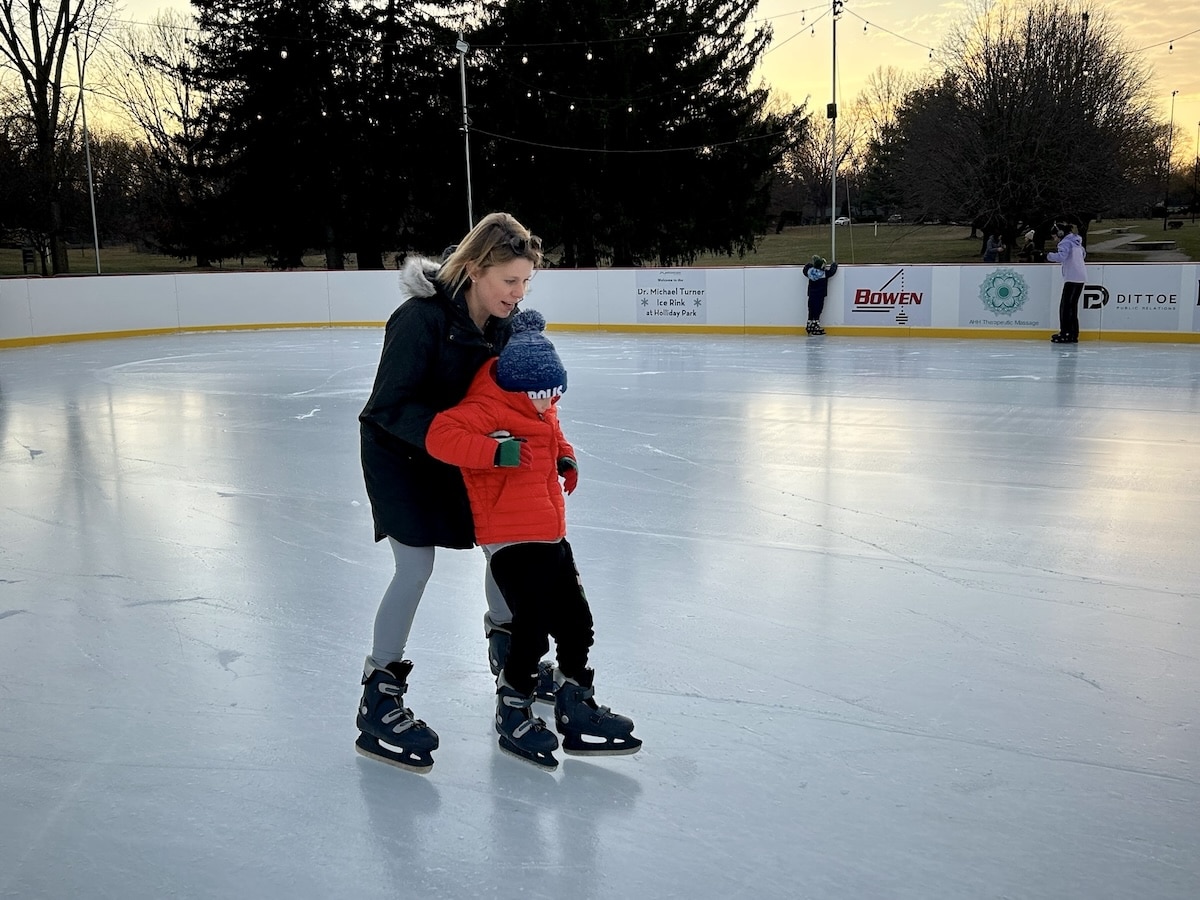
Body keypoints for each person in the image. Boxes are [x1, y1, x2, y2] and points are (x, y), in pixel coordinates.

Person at [355, 212, 543, 773]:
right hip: (399, 453)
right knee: (414, 567)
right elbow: (389, 406)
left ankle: (509, 654)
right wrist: (457, 436)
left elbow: (509, 397)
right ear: (477, 269)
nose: (519, 292)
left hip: (458, 451)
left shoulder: (503, 327)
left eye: (527, 282)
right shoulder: (420, 320)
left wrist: (543, 442)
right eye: (510, 280)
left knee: (504, 543)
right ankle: (378, 693)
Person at [426, 308, 642, 771]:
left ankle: (575, 702)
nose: (549, 405)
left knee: (577, 621)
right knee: (532, 624)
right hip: (507, 535)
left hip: (548, 531)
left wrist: (566, 459)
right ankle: (514, 705)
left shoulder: (542, 406)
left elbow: (555, 433)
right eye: (542, 397)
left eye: (554, 396)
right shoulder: (486, 406)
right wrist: (496, 451)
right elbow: (441, 436)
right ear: (519, 385)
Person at [1046, 221, 1087, 344]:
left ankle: (1065, 333)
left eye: (1054, 237)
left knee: (1065, 307)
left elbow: (1061, 257)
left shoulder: (1065, 243)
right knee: (1072, 307)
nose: (1055, 240)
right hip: (1080, 277)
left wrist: (1046, 255)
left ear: (1060, 233)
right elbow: (1083, 255)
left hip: (1072, 277)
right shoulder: (1077, 243)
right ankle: (1073, 334)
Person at [802, 255, 839, 335]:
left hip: (811, 295)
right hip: (820, 295)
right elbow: (832, 272)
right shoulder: (823, 274)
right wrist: (834, 265)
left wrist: (809, 264)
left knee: (811, 310)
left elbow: (805, 270)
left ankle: (809, 324)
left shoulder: (810, 272)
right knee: (818, 310)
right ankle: (815, 325)